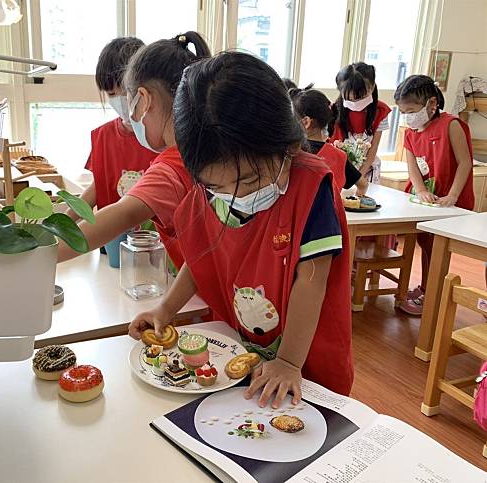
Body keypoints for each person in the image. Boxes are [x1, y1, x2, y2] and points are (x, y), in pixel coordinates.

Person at [129, 52, 354, 403]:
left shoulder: (311, 189)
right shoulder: (209, 192)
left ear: (288, 144)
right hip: (246, 357)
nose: (238, 194)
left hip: (306, 365)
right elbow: (202, 258)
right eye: (217, 187)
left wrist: (288, 361)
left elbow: (312, 281)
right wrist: (165, 310)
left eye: (249, 179)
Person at [58, 31, 211, 270]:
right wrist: (167, 308)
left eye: (128, 100)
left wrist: (43, 253)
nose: (129, 114)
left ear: (143, 98)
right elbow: (203, 255)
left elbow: (123, 214)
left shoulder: (171, 167)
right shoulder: (203, 149)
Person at [394, 74, 474, 315]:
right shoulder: (410, 133)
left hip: (450, 202)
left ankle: (434, 295)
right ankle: (427, 287)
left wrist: (452, 195)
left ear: (431, 104)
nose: (408, 116)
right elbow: (413, 168)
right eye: (403, 111)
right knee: (425, 244)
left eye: (411, 110)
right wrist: (419, 190)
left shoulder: (451, 125)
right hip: (427, 202)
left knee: (439, 248)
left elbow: (464, 163)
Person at [66, 37, 157, 221]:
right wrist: (60, 226)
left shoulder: (161, 139)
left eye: (127, 91)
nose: (123, 100)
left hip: (156, 244)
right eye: (113, 94)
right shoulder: (103, 137)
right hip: (112, 241)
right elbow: (97, 187)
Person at [289, 85, 368, 195]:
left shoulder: (291, 153)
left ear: (306, 122)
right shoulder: (339, 156)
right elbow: (363, 185)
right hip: (331, 212)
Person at [330, 62, 392, 183]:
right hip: (339, 169)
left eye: (360, 98)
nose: (354, 103)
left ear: (372, 87)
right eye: (349, 99)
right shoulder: (334, 111)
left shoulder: (380, 112)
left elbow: (373, 148)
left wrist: (358, 177)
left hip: (366, 171)